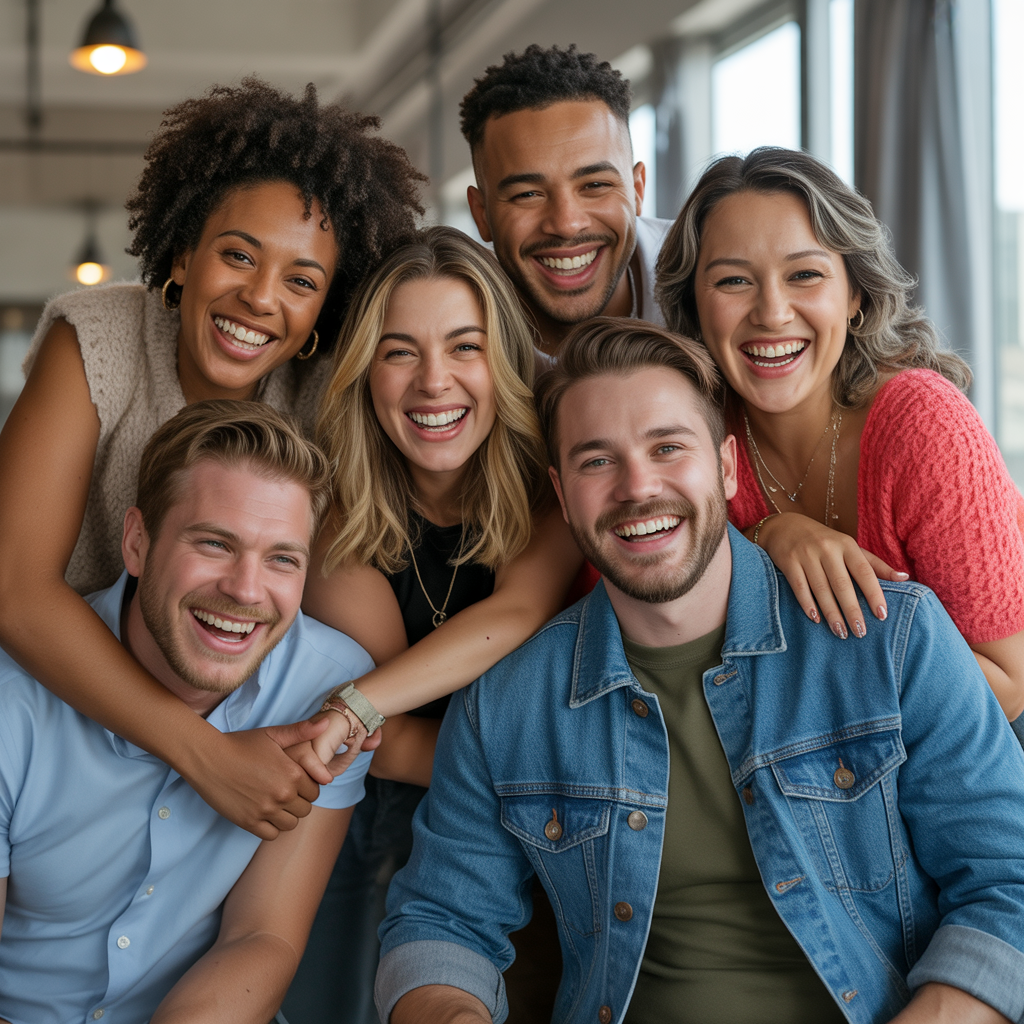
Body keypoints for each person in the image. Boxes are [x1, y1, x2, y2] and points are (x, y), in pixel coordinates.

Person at [375, 320, 1024, 1024]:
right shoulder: (507, 702)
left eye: (666, 448)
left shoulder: (893, 640)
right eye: (598, 462)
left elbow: (1008, 878)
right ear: (562, 497)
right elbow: (437, 921)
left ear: (726, 467)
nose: (637, 487)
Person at [0, 78, 423, 839]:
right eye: (238, 255)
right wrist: (204, 754)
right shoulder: (100, 338)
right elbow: (13, 590)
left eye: (302, 281)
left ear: (326, 307)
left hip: (242, 726)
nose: (262, 298)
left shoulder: (322, 395)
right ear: (184, 253)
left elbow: (357, 636)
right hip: (54, 719)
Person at [282, 226, 581, 1023]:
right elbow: (397, 743)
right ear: (366, 372)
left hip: (552, 809)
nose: (433, 383)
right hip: (400, 795)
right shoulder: (338, 511)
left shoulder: (555, 482)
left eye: (464, 347)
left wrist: (354, 706)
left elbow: (517, 612)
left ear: (504, 363)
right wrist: (370, 717)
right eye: (400, 351)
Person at [0, 401, 375, 1024]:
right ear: (137, 542)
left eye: (282, 558)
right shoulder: (12, 700)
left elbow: (263, 937)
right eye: (214, 544)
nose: (246, 590)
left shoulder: (329, 689)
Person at [655, 146, 1024, 726]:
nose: (772, 313)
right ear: (692, 306)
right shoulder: (686, 433)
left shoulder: (925, 425)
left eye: (804, 274)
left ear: (854, 295)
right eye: (733, 281)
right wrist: (765, 537)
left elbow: (1006, 685)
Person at [460, 44, 672, 359]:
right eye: (527, 194)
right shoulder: (454, 342)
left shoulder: (710, 283)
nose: (566, 224)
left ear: (638, 190)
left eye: (595, 185)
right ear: (482, 214)